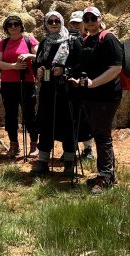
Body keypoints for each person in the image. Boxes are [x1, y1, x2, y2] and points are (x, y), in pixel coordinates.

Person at [68, 6, 123, 193]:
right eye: (87, 19)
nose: (90, 21)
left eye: (93, 18)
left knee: (102, 135)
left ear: (100, 19)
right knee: (100, 133)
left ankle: (104, 177)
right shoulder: (87, 39)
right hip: (90, 95)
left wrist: (94, 83)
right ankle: (109, 175)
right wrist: (78, 80)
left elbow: (116, 68)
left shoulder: (108, 39)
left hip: (106, 95)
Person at [31, 11, 80, 176]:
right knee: (46, 124)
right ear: (46, 24)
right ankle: (43, 162)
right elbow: (38, 63)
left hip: (67, 90)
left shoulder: (72, 42)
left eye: (56, 21)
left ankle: (69, 163)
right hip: (47, 89)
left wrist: (65, 70)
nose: (53, 24)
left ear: (62, 22)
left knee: (68, 125)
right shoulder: (44, 43)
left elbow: (80, 65)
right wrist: (38, 69)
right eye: (50, 21)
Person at [0, 14, 38, 159]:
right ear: (6, 28)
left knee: (29, 114)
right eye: (10, 25)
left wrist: (28, 56)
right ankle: (14, 144)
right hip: (8, 84)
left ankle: (34, 145)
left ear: (21, 26)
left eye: (16, 24)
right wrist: (14, 66)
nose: (13, 27)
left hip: (26, 82)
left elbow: (40, 55)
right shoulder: (3, 42)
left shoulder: (29, 40)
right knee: (10, 115)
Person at [69, 10, 94, 161]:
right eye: (73, 23)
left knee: (86, 117)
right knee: (71, 116)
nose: (76, 26)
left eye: (78, 23)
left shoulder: (92, 40)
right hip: (71, 84)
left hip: (87, 84)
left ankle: (88, 148)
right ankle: (70, 148)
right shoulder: (67, 40)